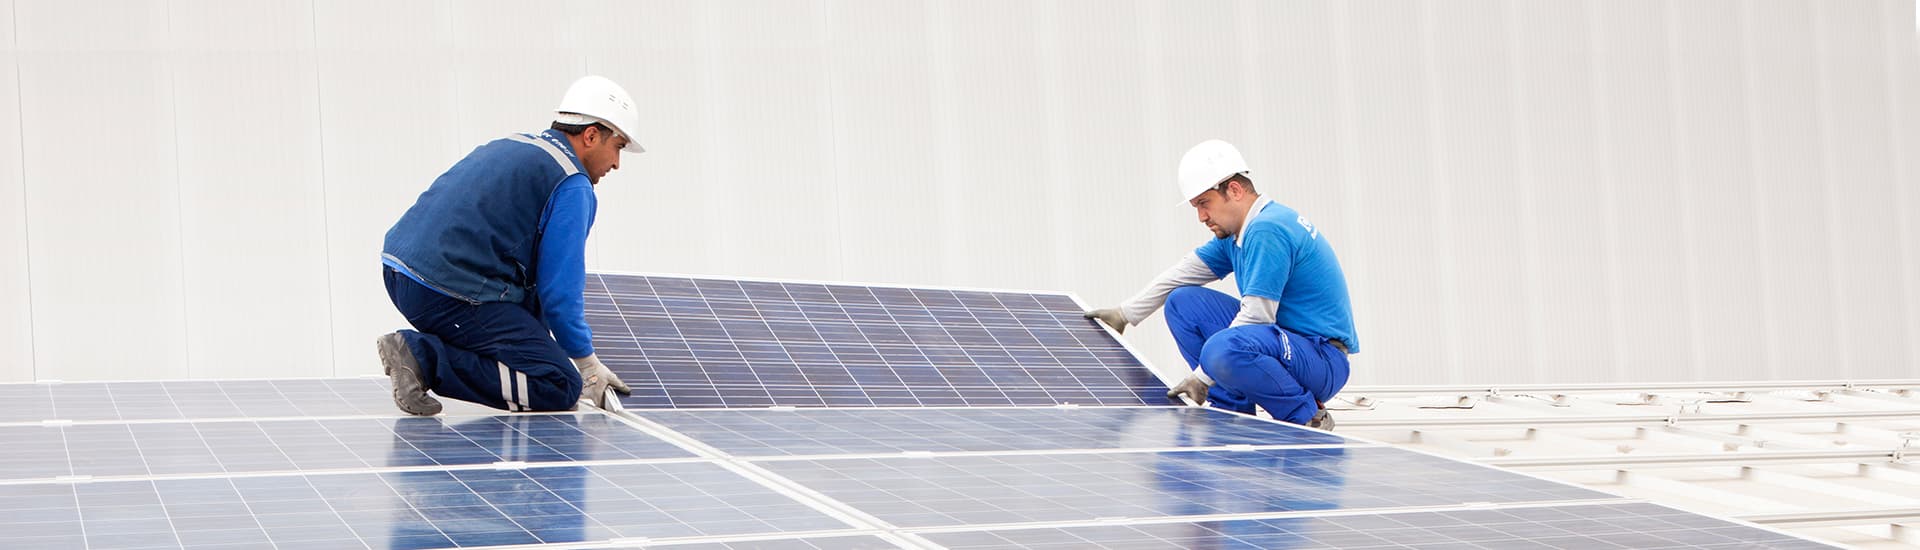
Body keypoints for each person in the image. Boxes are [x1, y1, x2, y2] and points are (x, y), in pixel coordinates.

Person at [375, 75, 640, 415]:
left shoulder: (516, 145)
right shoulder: (572, 184)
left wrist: (540, 345)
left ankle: (422, 355)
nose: (617, 163)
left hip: (400, 269)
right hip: (446, 290)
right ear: (591, 135)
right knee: (559, 384)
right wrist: (585, 364)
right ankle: (420, 356)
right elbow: (558, 291)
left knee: (530, 328)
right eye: (618, 147)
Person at [1085, 140, 1356, 429]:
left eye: (1204, 203)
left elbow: (1257, 316)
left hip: (1321, 360)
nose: (1201, 217)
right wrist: (1125, 314)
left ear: (1234, 190)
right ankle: (1231, 410)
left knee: (1224, 346)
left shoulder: (1268, 229)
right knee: (1183, 303)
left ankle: (1305, 415)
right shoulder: (1236, 235)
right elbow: (1181, 274)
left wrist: (1201, 377)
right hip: (1285, 345)